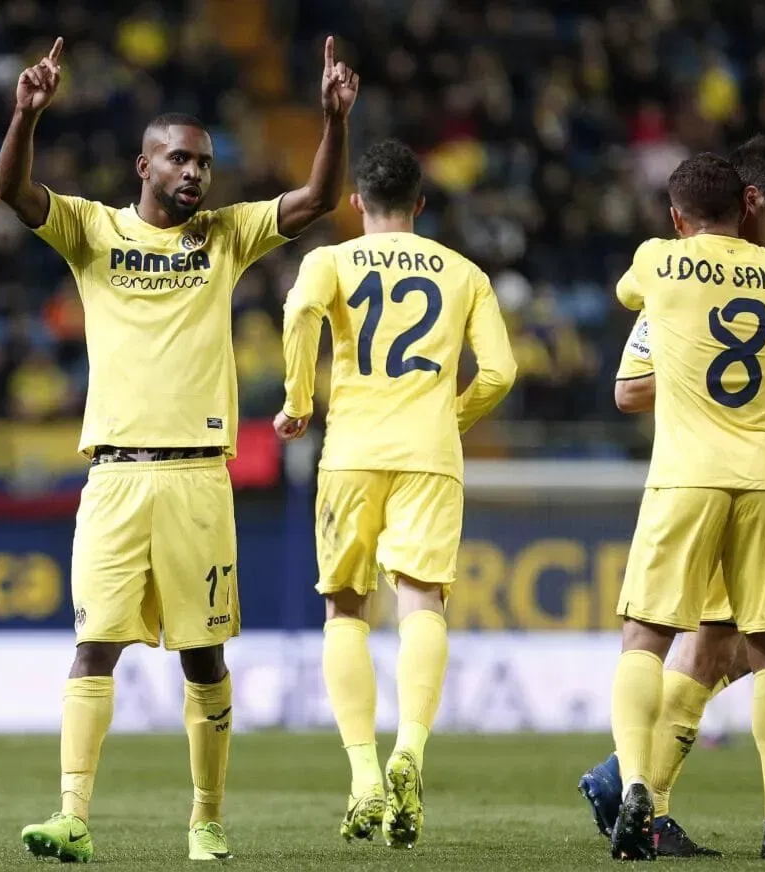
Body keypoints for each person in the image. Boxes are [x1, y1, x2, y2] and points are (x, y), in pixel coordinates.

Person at [0, 36, 358, 862]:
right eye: (179, 160)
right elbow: (12, 192)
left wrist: (335, 119)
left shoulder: (225, 237)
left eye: (204, 162)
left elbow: (315, 199)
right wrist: (26, 113)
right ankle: (74, 816)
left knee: (202, 656)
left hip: (198, 479)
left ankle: (206, 819)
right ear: (144, 166)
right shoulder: (91, 230)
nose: (196, 174)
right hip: (114, 478)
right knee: (95, 645)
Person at [579, 136, 765, 857]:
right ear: (751, 203)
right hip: (762, 476)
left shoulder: (663, 263)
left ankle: (634, 782)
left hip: (688, 474)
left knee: (659, 639)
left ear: (676, 214)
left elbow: (635, 305)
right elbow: (632, 388)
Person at [274, 139, 516, 849]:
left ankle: (362, 778)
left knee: (345, 609)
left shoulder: (329, 261)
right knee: (421, 603)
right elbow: (499, 372)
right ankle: (410, 746)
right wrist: (448, 416)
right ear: (420, 204)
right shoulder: (465, 272)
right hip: (429, 455)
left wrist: (296, 401)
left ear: (356, 202)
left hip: (352, 452)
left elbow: (299, 317)